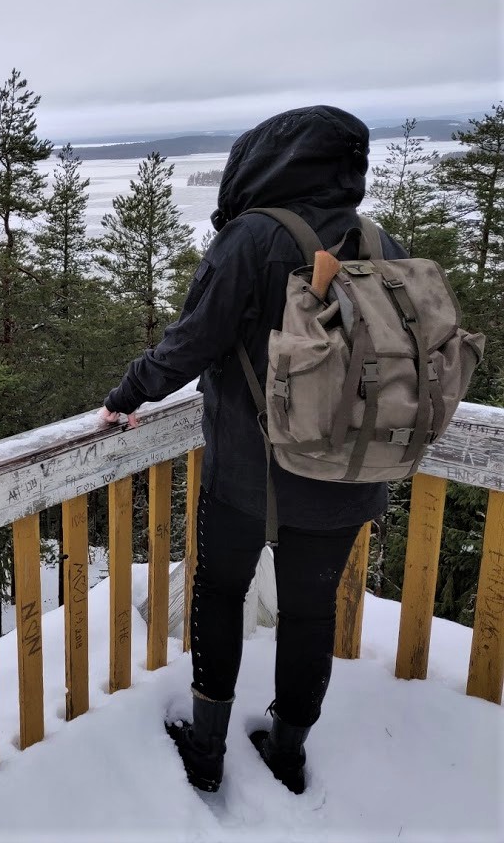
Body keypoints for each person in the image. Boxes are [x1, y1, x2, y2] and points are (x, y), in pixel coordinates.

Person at [100, 105, 406, 795]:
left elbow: (190, 343)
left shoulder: (253, 237)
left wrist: (127, 395)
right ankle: (288, 752)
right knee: (309, 611)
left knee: (219, 591)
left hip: (250, 476)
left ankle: (207, 749)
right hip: (353, 471)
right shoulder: (380, 239)